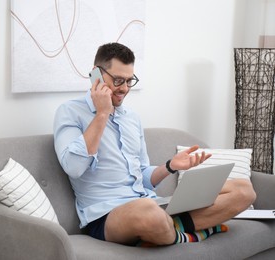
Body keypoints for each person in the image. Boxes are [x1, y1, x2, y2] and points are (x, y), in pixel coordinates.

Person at [53, 42, 256, 246]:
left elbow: (142, 176)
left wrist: (170, 166)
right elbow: (75, 168)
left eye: (129, 81)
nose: (124, 88)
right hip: (107, 216)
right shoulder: (69, 112)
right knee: (149, 213)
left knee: (243, 190)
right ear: (96, 74)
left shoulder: (132, 118)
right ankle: (188, 233)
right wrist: (102, 113)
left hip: (150, 203)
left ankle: (168, 231)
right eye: (117, 80)